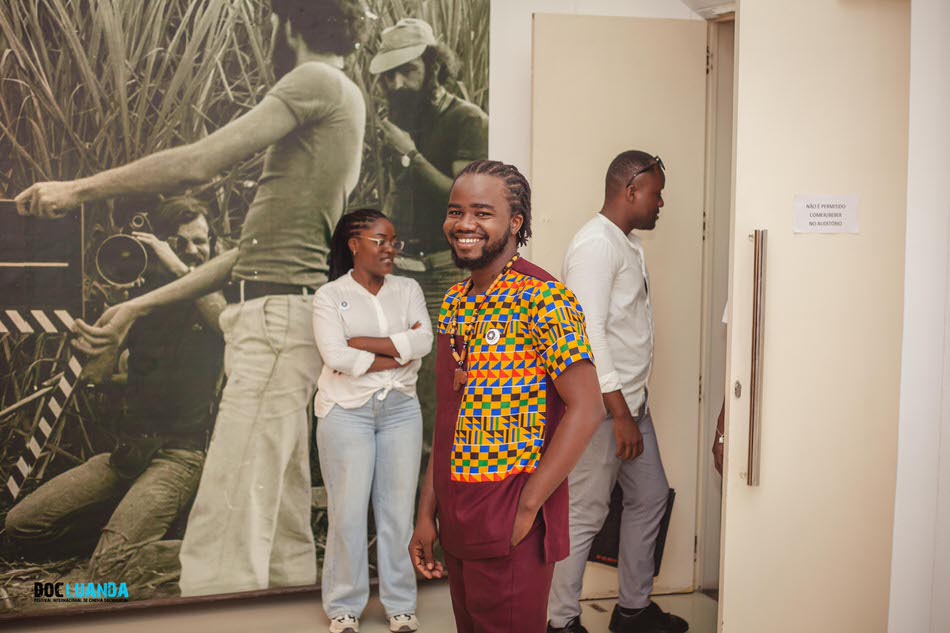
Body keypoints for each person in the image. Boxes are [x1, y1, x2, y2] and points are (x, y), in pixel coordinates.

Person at [16, 0, 369, 596]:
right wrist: (136, 306)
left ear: (286, 24)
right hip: (284, 314)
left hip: (274, 323)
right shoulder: (343, 102)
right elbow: (245, 256)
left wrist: (78, 189)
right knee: (277, 519)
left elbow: (197, 163)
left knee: (226, 520)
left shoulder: (314, 80)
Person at [408, 160, 605, 633]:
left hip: (510, 512)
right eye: (455, 212)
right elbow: (449, 415)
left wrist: (528, 506)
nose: (464, 224)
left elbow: (588, 408)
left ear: (515, 222)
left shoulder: (545, 298)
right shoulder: (456, 301)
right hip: (458, 511)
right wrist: (426, 512)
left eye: (482, 213)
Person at [4, 197, 224, 594]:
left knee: (106, 577)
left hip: (179, 458)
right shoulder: (139, 303)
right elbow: (98, 376)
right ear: (157, 246)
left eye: (199, 241)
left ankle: (222, 550)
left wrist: (178, 268)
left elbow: (226, 324)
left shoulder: (220, 297)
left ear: (214, 243)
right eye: (179, 242)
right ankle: (124, 543)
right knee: (21, 526)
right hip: (127, 454)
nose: (192, 251)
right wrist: (99, 333)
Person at [548, 151, 688, 633]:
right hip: (605, 410)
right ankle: (560, 621)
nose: (661, 202)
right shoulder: (595, 245)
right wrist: (621, 414)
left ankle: (632, 611)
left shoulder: (624, 242)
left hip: (631, 405)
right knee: (584, 513)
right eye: (656, 193)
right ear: (631, 191)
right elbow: (587, 333)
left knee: (649, 497)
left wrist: (633, 409)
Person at [311, 208, 432, 633]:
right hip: (347, 413)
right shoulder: (330, 296)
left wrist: (362, 343)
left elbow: (424, 340)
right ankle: (344, 607)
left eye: (394, 241)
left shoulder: (408, 288)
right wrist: (397, 354)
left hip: (401, 411)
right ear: (354, 245)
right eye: (380, 241)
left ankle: (400, 605)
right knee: (347, 513)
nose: (390, 249)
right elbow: (335, 355)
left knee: (398, 513)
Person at [369, 17, 489, 316]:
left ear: (433, 67)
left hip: (447, 275)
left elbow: (466, 202)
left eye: (408, 70)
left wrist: (411, 154)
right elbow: (398, 192)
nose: (397, 84)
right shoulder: (402, 121)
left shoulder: (467, 120)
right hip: (398, 273)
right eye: (389, 75)